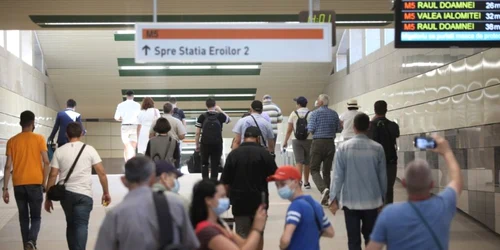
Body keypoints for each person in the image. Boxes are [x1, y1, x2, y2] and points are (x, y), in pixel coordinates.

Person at [367, 135, 462, 250]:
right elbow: (457, 181)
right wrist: (447, 152)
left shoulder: (389, 214)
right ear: (431, 184)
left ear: (404, 183)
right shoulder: (443, 206)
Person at [94, 157, 199, 250]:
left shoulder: (115, 214)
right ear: (152, 178)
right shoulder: (176, 203)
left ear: (123, 181)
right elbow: (191, 243)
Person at [44, 122, 111, 250]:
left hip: (66, 195)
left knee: (70, 224)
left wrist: (48, 197)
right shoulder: (89, 149)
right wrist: (105, 192)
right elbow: (101, 172)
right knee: (81, 225)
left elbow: (53, 175)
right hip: (84, 195)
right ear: (81, 133)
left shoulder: (59, 151)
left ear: (66, 135)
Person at [328, 113, 387, 250]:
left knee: (353, 241)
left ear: (354, 127)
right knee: (371, 238)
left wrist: (333, 198)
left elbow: (337, 176)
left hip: (350, 202)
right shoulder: (378, 148)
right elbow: (382, 177)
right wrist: (382, 199)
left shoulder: (343, 148)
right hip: (372, 202)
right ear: (369, 127)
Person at [221, 126, 278, 249]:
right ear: (258, 138)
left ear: (244, 138)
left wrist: (225, 200)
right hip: (260, 201)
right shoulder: (264, 153)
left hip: (239, 201)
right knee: (258, 234)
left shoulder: (233, 155)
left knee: (241, 235)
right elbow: (275, 174)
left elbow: (225, 182)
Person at [3, 110, 50, 250]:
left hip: (18, 185)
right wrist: (44, 183)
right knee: (36, 217)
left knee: (23, 218)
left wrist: (5, 189)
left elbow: (7, 166)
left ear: (20, 123)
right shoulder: (39, 139)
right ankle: (31, 241)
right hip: (35, 183)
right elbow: (46, 162)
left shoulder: (12, 141)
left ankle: (26, 246)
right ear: (33, 123)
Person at [267, 166, 334, 250]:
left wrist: (282, 246)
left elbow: (286, 239)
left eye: (283, 184)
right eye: (277, 185)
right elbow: (330, 232)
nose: (280, 188)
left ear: (295, 182)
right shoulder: (316, 205)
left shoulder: (295, 206)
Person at [190, 179, 267, 250]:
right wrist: (256, 228)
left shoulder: (219, 224)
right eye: (222, 196)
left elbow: (244, 244)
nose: (226, 200)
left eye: (226, 196)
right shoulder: (207, 231)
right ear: (208, 200)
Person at [307, 94, 342, 205]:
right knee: (326, 171)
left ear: (321, 102)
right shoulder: (334, 113)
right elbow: (339, 129)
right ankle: (327, 198)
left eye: (317, 100)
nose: (316, 101)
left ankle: (323, 189)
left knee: (314, 169)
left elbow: (311, 129)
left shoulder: (314, 114)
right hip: (330, 143)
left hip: (318, 143)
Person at [368, 100, 400, 204]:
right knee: (389, 189)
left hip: (374, 162)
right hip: (390, 161)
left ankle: (375, 213)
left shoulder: (370, 126)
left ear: (374, 110)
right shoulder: (393, 125)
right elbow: (396, 134)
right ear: (386, 109)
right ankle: (388, 213)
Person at [195, 98, 231, 180]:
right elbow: (229, 120)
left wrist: (197, 145)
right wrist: (220, 110)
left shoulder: (202, 116)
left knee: (204, 164)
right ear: (215, 105)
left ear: (206, 105)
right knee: (215, 164)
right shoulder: (220, 116)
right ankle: (214, 183)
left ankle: (205, 182)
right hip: (217, 144)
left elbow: (197, 133)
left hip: (205, 144)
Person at [283, 96, 312, 189]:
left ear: (298, 104)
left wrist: (285, 141)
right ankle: (307, 183)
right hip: (309, 139)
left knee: (299, 161)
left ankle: (299, 182)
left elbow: (289, 130)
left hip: (296, 140)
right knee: (307, 162)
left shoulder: (293, 114)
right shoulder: (311, 114)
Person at [150, 103, 186, 168]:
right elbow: (182, 136)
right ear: (172, 111)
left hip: (158, 144)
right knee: (173, 165)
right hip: (173, 145)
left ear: (163, 110)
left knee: (159, 164)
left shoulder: (156, 121)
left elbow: (151, 136)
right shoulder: (177, 121)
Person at [114, 90, 141, 161]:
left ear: (126, 96)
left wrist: (121, 119)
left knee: (126, 146)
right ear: (133, 96)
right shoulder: (137, 105)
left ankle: (127, 163)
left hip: (125, 126)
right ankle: (133, 164)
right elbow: (139, 116)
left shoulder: (120, 105)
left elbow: (116, 117)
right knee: (133, 146)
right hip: (134, 126)